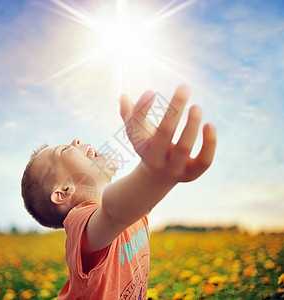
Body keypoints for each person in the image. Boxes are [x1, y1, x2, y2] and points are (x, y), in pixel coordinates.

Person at [21, 84, 217, 299]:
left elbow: (128, 202)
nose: (76, 140)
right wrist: (154, 175)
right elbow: (113, 214)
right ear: (64, 192)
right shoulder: (79, 222)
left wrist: (159, 166)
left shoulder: (132, 212)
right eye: (65, 149)